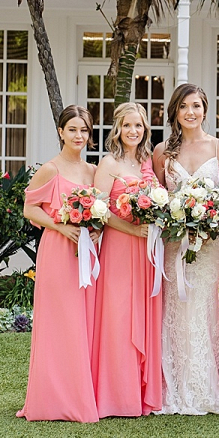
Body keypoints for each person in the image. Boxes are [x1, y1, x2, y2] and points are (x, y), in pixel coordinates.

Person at [152, 83, 219, 414]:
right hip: (175, 242)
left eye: (196, 106)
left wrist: (210, 217)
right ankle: (174, 382)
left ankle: (205, 385)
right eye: (184, 106)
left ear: (205, 109)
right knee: (175, 305)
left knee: (201, 303)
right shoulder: (162, 152)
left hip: (210, 243)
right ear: (175, 111)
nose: (191, 112)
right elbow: (157, 196)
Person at [16, 105, 99, 422]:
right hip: (57, 251)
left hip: (86, 252)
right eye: (73, 129)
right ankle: (49, 399)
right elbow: (29, 208)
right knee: (58, 322)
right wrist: (60, 225)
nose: (79, 135)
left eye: (84, 130)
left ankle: (79, 395)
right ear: (61, 132)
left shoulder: (92, 171)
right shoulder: (50, 169)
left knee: (82, 321)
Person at [92, 103, 162, 417]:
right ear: (117, 129)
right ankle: (116, 395)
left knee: (144, 313)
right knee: (118, 316)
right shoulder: (108, 163)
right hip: (120, 246)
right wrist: (131, 230)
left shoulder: (147, 161)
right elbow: (100, 210)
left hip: (146, 250)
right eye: (127, 125)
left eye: (139, 126)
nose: (133, 131)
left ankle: (140, 392)